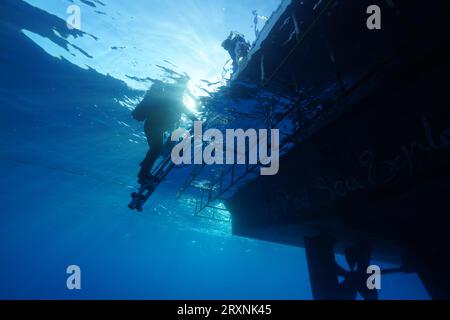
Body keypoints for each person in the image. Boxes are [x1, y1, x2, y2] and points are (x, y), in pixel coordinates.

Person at [132, 77, 197, 185]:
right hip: (155, 126)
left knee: (156, 149)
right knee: (156, 149)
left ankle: (146, 164)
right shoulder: (175, 101)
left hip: (155, 126)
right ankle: (143, 175)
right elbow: (190, 114)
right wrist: (198, 124)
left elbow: (188, 114)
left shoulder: (169, 97)